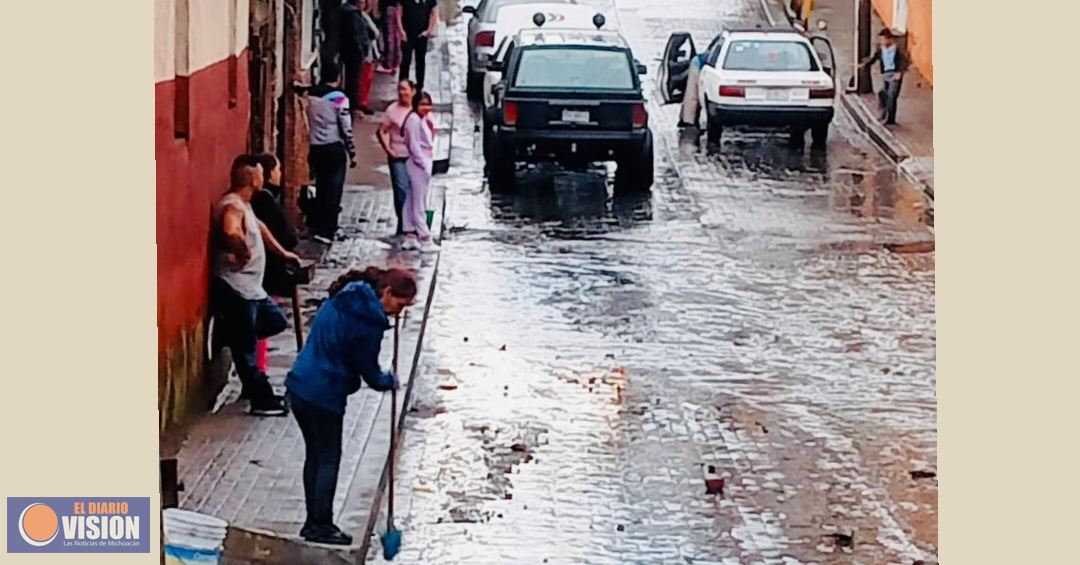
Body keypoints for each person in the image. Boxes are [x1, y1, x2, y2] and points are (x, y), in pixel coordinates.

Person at [286, 267, 417, 545]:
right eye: (399, 304)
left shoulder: (347, 296)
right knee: (329, 459)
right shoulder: (368, 321)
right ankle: (321, 525)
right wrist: (389, 381)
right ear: (387, 292)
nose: (398, 313)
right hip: (324, 393)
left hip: (299, 386)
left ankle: (313, 522)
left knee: (316, 456)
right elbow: (368, 370)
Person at [212, 155, 301, 416]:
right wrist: (242, 252)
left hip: (252, 289)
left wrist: (282, 253)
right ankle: (260, 398)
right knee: (247, 350)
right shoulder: (232, 206)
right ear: (253, 178)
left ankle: (230, 335)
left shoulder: (245, 205)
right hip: (237, 287)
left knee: (275, 321)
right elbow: (231, 231)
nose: (265, 177)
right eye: (261, 173)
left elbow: (259, 227)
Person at [250, 153, 300, 375]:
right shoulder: (265, 201)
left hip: (265, 268)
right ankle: (258, 368)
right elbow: (285, 235)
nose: (280, 174)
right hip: (267, 270)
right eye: (277, 170)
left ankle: (259, 367)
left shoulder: (259, 201)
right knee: (264, 321)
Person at [305, 65, 357, 243]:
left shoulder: (311, 95)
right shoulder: (339, 98)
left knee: (321, 185)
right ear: (338, 78)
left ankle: (319, 226)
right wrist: (352, 151)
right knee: (334, 189)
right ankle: (329, 228)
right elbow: (346, 126)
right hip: (334, 147)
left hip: (316, 147)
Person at [376, 80, 421, 238]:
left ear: (413, 91)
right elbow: (381, 131)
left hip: (415, 158)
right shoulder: (392, 110)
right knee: (401, 190)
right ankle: (404, 223)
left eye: (405, 89)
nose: (402, 93)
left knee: (415, 191)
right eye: (399, 89)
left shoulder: (418, 110)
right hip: (398, 157)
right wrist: (389, 150)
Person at [400, 91, 439, 252]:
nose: (426, 108)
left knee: (411, 200)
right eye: (422, 104)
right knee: (419, 202)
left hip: (422, 162)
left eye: (428, 104)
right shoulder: (414, 120)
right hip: (418, 164)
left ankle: (410, 234)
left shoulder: (420, 119)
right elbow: (414, 145)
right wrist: (423, 164)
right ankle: (424, 237)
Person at [860, 28, 909, 125]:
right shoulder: (881, 49)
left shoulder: (897, 50)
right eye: (881, 39)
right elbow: (874, 58)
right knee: (883, 94)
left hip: (894, 75)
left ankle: (890, 119)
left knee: (891, 96)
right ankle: (883, 114)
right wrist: (865, 65)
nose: (882, 42)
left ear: (890, 39)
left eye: (884, 39)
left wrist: (900, 72)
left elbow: (904, 62)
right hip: (885, 74)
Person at [341, 0, 373, 117]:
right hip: (353, 54)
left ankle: (352, 107)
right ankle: (352, 108)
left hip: (352, 52)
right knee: (353, 82)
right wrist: (361, 50)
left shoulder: (351, 12)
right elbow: (356, 35)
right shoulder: (352, 13)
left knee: (354, 82)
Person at [397, 0, 438, 90]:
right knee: (406, 60)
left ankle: (420, 85)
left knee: (420, 60)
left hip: (422, 35)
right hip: (407, 34)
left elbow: (434, 13)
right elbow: (399, 13)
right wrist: (401, 31)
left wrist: (428, 30)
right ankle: (403, 83)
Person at [357, 0, 384, 115]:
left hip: (368, 52)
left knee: (366, 78)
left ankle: (362, 101)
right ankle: (362, 102)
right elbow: (375, 32)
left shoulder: (362, 16)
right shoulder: (361, 16)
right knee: (364, 79)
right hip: (366, 52)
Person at [678, 51, 708, 128]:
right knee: (692, 94)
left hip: (699, 62)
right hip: (698, 64)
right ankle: (689, 121)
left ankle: (685, 118)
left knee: (690, 93)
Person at [378, 0, 403, 75]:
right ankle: (396, 63)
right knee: (396, 36)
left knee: (389, 37)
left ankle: (389, 63)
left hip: (388, 8)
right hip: (399, 7)